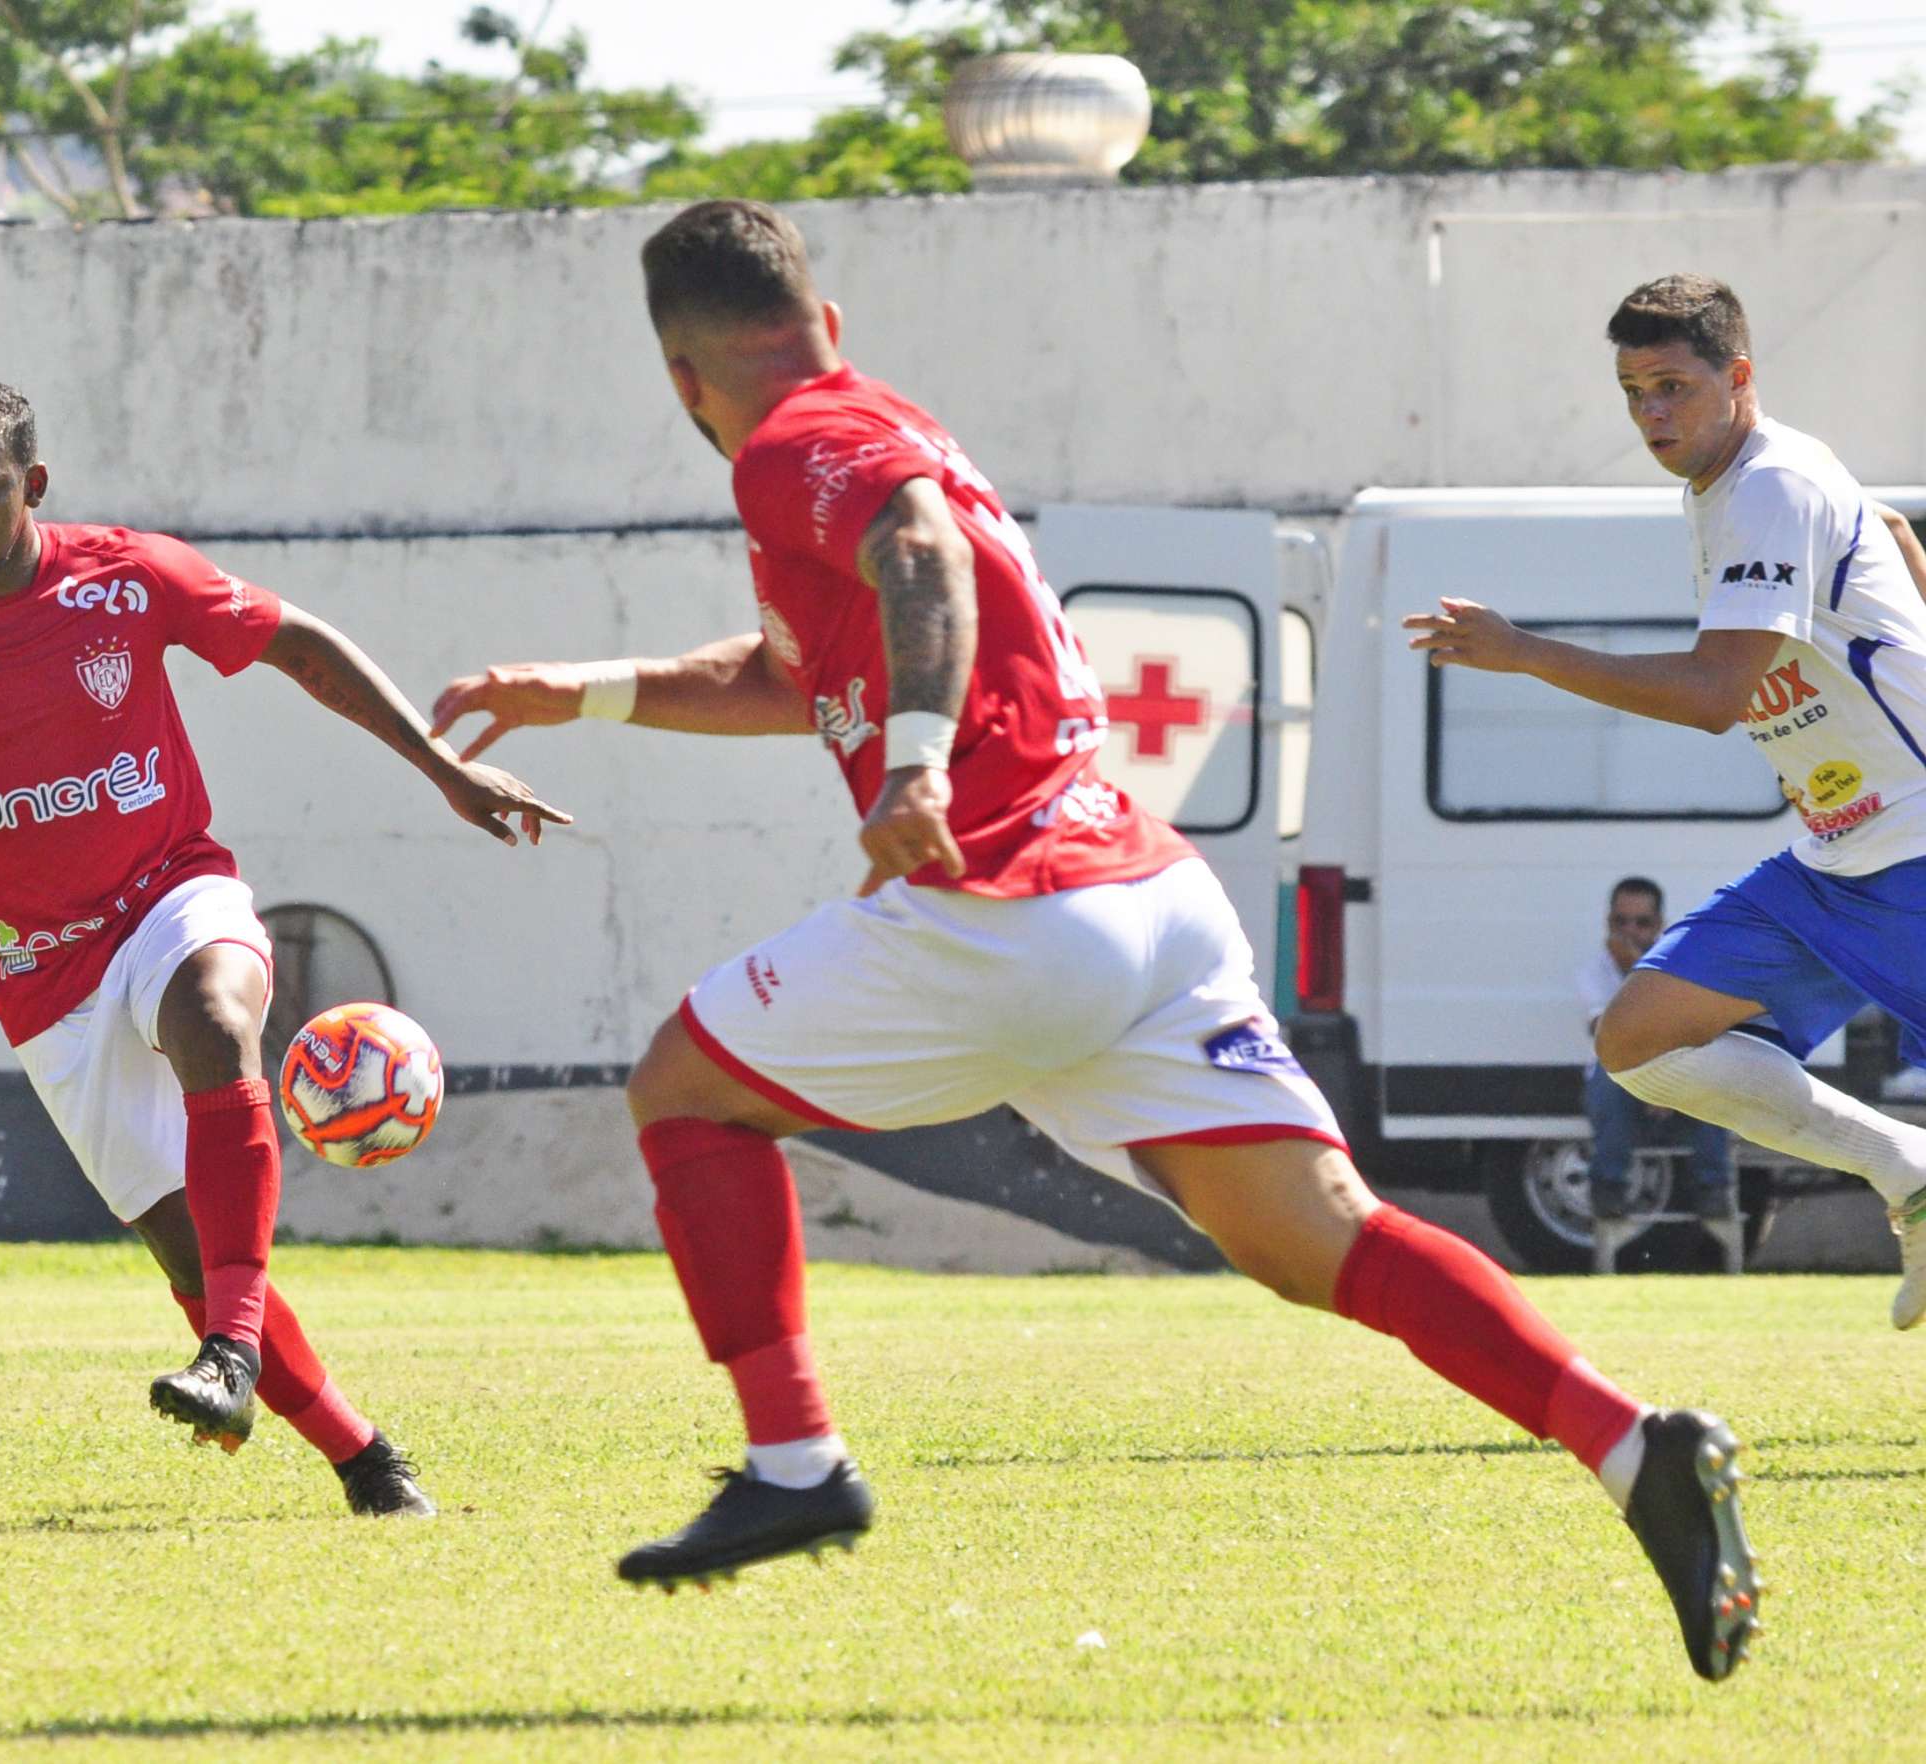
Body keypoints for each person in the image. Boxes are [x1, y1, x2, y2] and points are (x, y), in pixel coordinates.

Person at [429, 200, 1758, 1680]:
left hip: (1008, 907)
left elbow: (913, 552)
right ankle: (1634, 1449)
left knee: (682, 1088)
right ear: (828, 323)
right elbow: (796, 671)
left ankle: (795, 1462)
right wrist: (587, 690)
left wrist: (921, 761)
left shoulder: (800, 445)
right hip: (1150, 906)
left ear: (682, 375)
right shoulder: (874, 426)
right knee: (1324, 1244)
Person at [0, 380, 566, 1516]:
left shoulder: (127, 576)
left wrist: (444, 767)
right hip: (34, 972)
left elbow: (299, 647)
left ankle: (231, 1354)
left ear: (34, 485)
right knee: (185, 1253)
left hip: (169, 892)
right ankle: (367, 1459)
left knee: (217, 1019)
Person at [1407, 273, 1926, 1329]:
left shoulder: (1772, 485)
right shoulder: (1741, 479)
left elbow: (1710, 698)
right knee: (1638, 1038)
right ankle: (1909, 1172)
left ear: (1737, 378)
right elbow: (1889, 535)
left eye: (1673, 387)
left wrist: (1522, 653)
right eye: (1632, 391)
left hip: (1914, 846)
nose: (1650, 414)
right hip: (1835, 859)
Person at [1577, 877, 1741, 1271]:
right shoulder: (1594, 971)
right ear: (1608, 923)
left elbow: (1698, 1029)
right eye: (1621, 923)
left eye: (1641, 923)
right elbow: (1607, 1032)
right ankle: (1609, 1188)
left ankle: (1712, 1189)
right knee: (1609, 1072)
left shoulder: (1681, 964)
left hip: (1678, 1086)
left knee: (1711, 1071)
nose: (1630, 932)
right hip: (1626, 1093)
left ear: (1659, 925)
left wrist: (1665, 1087)